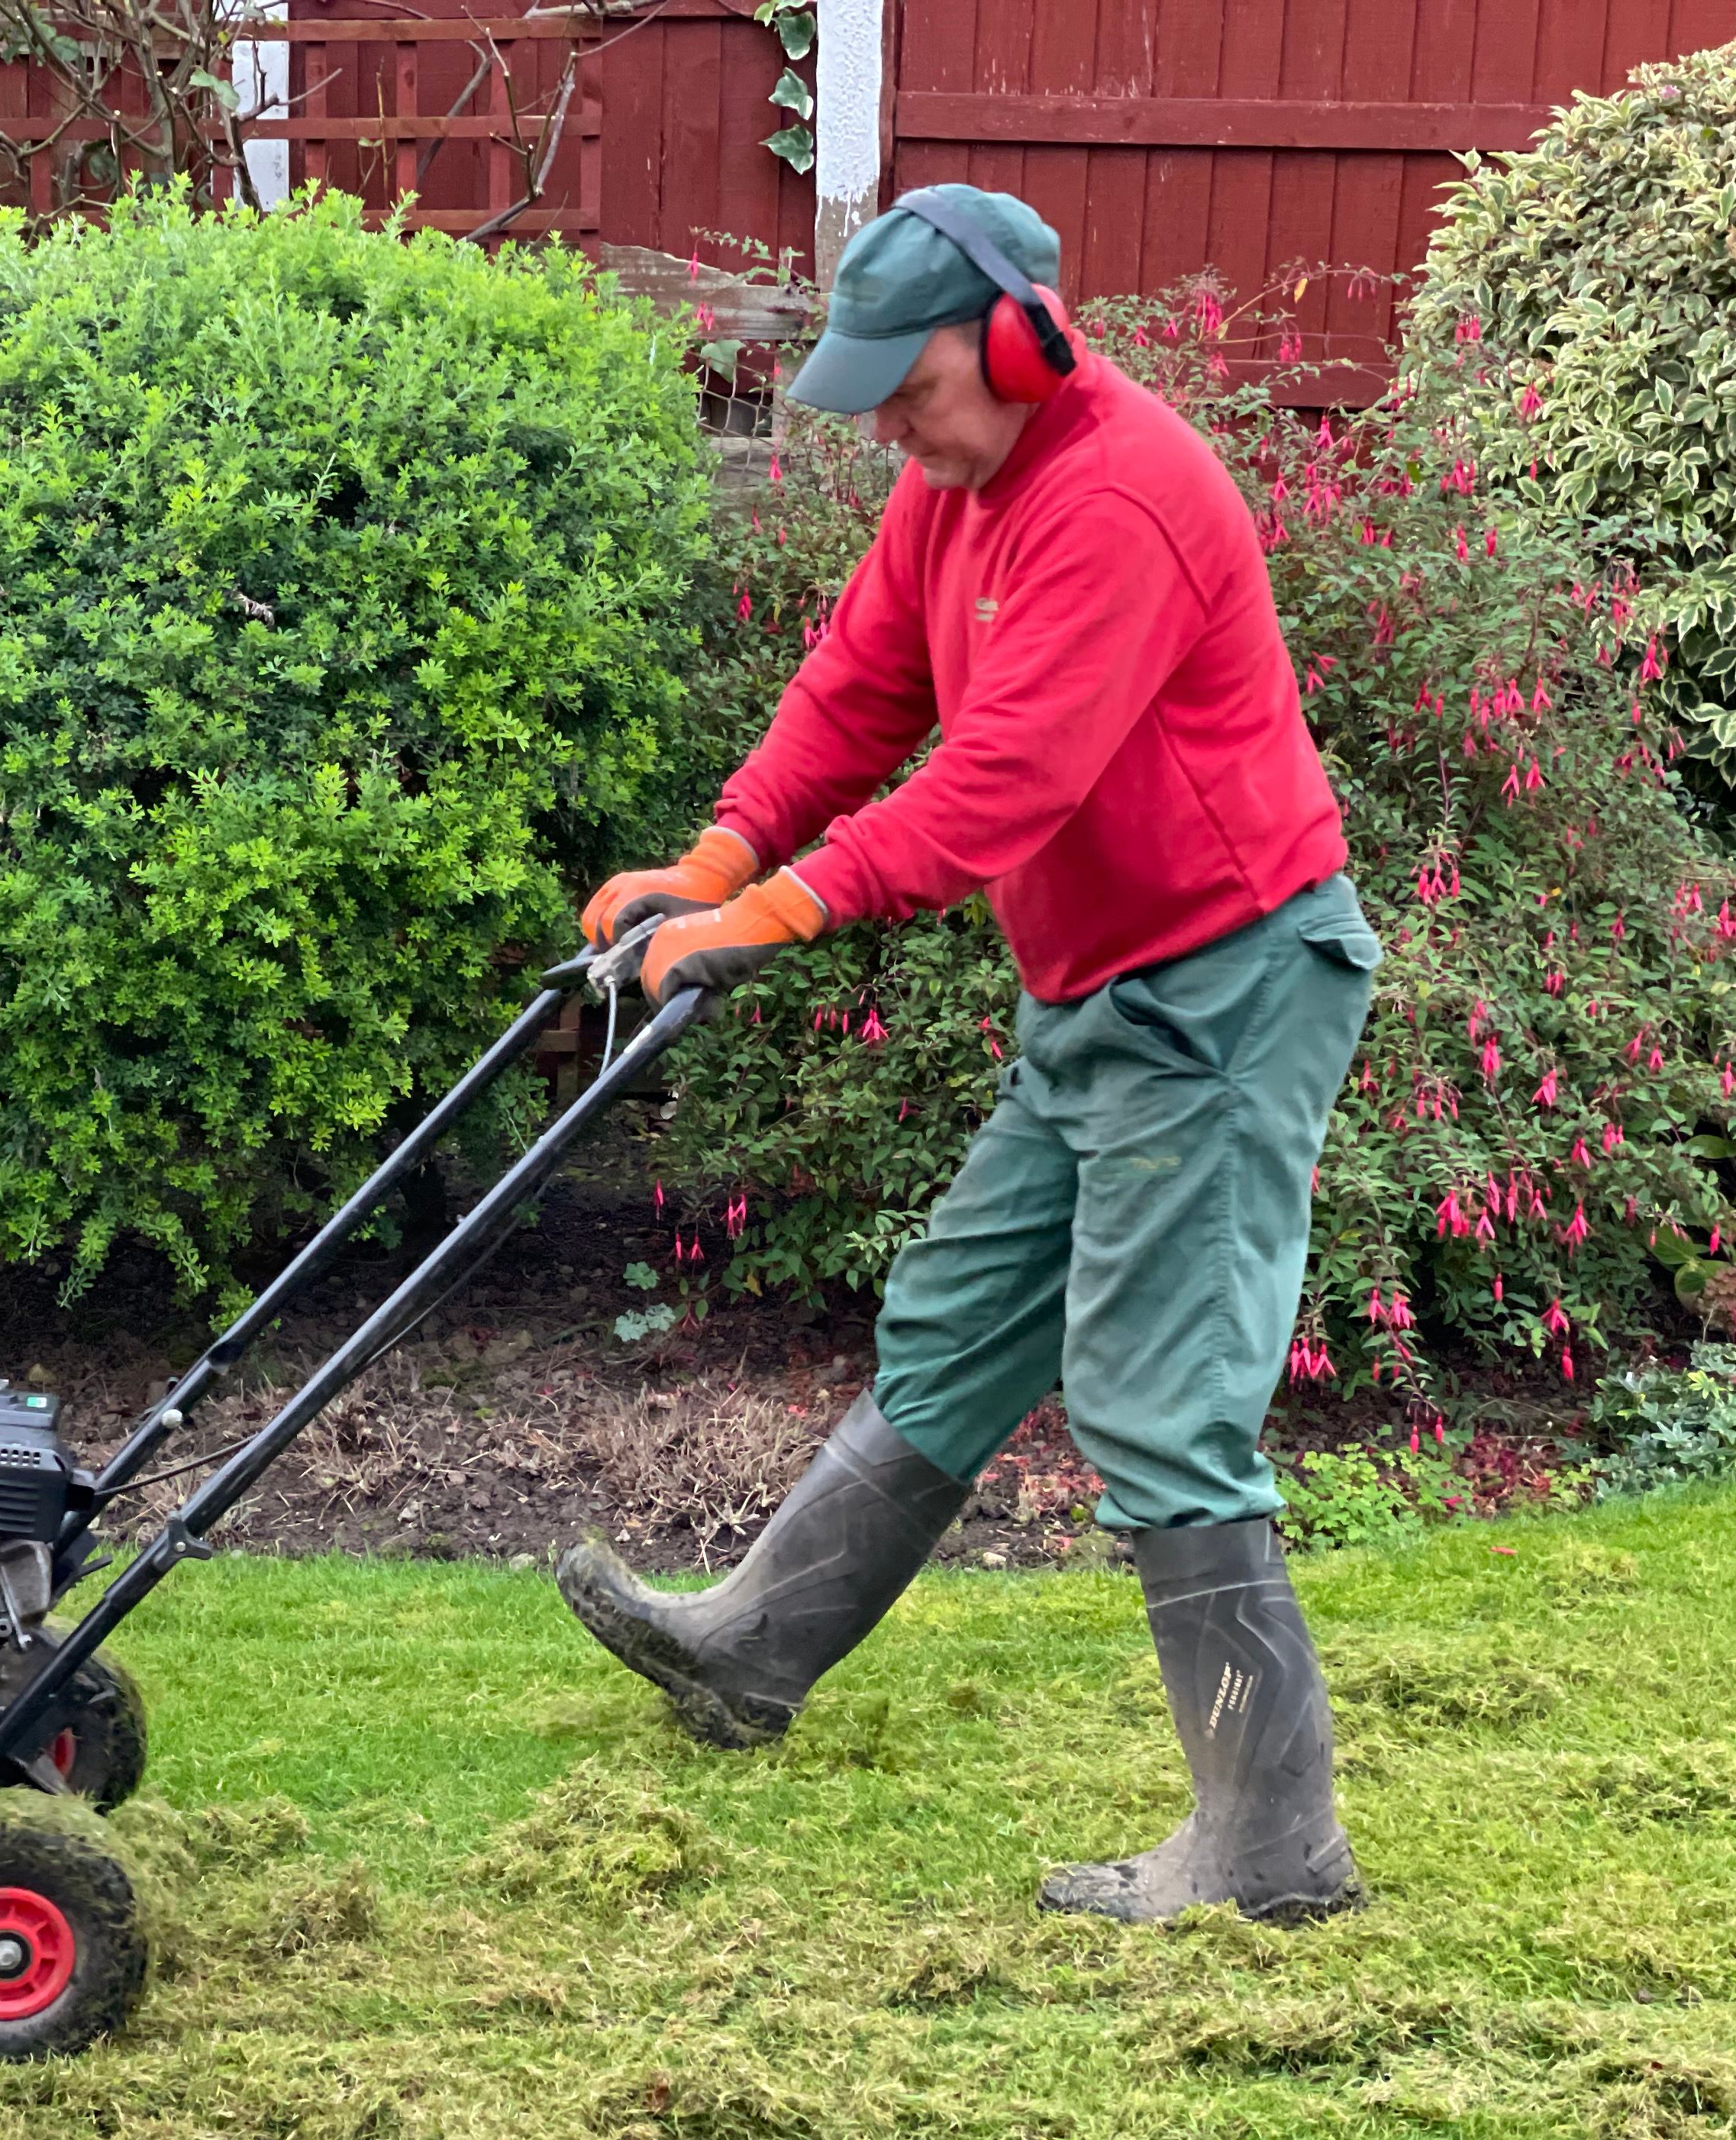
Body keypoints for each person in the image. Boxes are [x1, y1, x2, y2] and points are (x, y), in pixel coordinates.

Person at [557, 186, 1383, 1925]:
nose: (887, 424)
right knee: (956, 1320)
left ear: (1018, 340)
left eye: (908, 385)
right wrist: (718, 858)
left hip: (1225, 992)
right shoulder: (959, 493)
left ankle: (1273, 1848)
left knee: (1162, 1401)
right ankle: (754, 1651)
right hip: (1098, 994)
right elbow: (857, 694)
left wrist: (780, 915)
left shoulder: (1123, 498)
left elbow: (1007, 779)